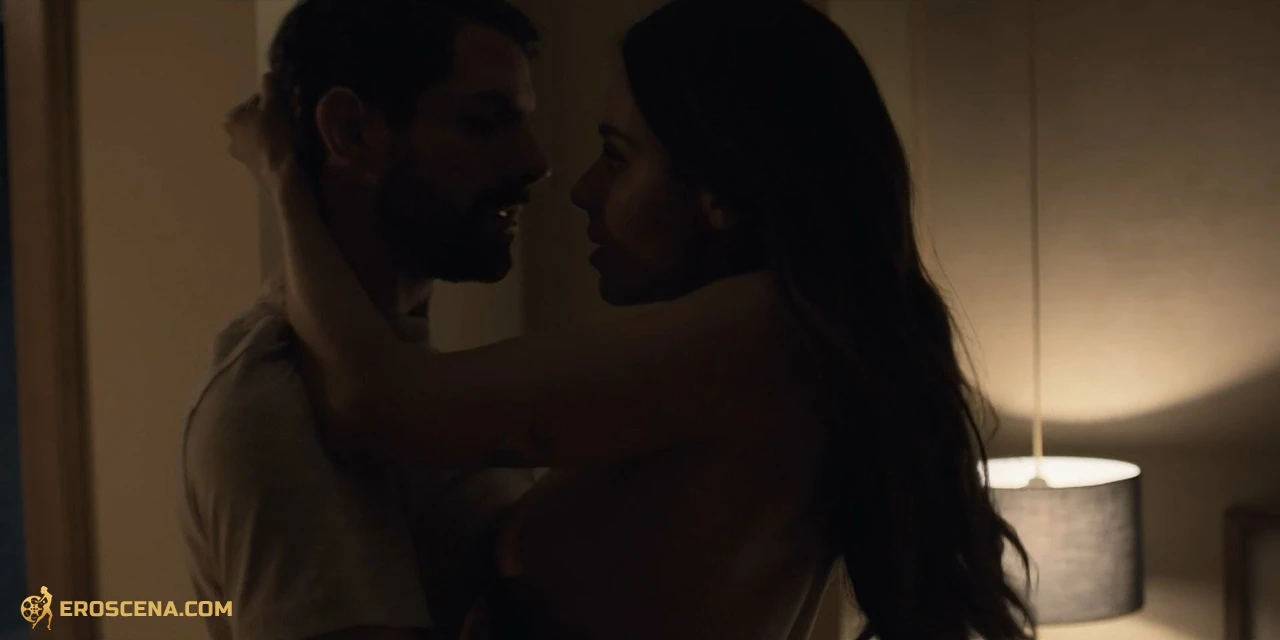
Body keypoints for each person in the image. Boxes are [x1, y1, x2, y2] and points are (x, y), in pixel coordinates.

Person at [235, 1, 1037, 639]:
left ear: (720, 193)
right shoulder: (788, 342)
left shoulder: (763, 331)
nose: (580, 188)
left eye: (617, 157)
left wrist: (282, 178)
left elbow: (383, 406)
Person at [180, 1, 549, 639]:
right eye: (484, 124)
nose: (533, 161)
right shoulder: (281, 404)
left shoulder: (408, 378)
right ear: (351, 132)